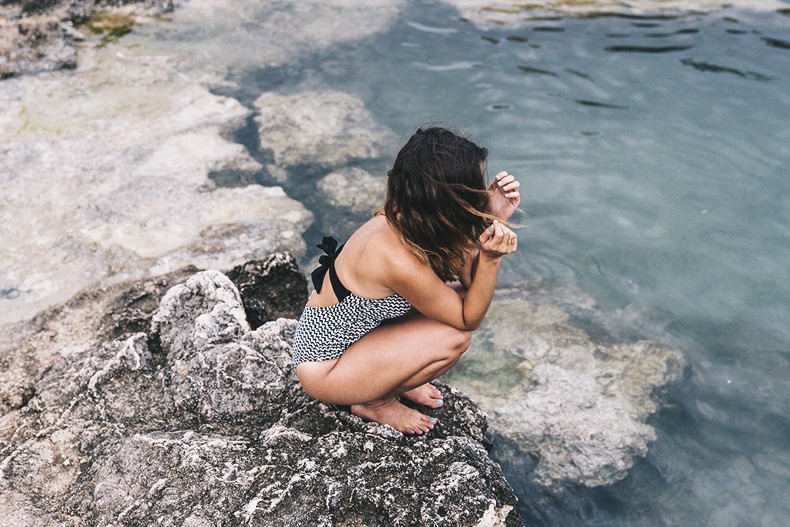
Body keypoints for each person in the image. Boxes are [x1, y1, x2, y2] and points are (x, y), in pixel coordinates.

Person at [292, 127, 520, 435]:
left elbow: (467, 282)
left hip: (357, 339)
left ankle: (383, 377)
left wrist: (488, 217)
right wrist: (491, 258)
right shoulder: (396, 259)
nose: (482, 194)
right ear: (452, 199)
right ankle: (373, 401)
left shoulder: (406, 214)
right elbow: (469, 317)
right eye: (476, 190)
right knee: (453, 337)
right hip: (325, 367)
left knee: (453, 298)